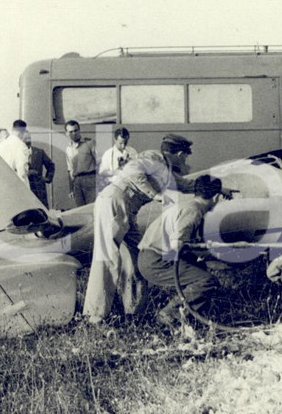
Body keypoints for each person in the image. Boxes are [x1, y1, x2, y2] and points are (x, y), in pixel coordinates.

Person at [82, 133, 195, 323]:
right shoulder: (153, 157)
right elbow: (134, 172)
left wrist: (217, 189)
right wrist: (155, 195)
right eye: (185, 156)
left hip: (127, 209)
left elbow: (184, 184)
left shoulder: (165, 168)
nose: (185, 160)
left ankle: (134, 312)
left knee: (137, 259)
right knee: (108, 257)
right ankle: (96, 316)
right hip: (114, 202)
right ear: (179, 153)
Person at [138, 174, 224, 332]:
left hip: (150, 256)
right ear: (217, 197)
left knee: (201, 270)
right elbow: (176, 244)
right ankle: (170, 314)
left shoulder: (188, 205)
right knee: (207, 281)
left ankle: (188, 319)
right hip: (156, 261)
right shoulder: (193, 211)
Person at [64, 120, 98, 207]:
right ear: (66, 133)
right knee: (80, 209)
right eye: (71, 132)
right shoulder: (68, 149)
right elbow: (70, 170)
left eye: (76, 130)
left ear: (79, 130)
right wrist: (71, 188)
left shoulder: (89, 143)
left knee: (92, 207)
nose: (74, 133)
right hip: (77, 182)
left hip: (90, 178)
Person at [98, 126, 138, 191]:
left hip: (131, 186)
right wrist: (115, 172)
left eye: (125, 143)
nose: (123, 146)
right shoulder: (108, 154)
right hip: (114, 186)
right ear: (115, 140)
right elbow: (102, 172)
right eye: (120, 143)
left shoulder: (132, 151)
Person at [0, 119, 31, 184]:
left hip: (0, 181)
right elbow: (21, 169)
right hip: (14, 183)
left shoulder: (0, 144)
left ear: (13, 129)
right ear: (23, 131)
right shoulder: (21, 146)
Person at [27, 143, 56, 208]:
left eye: (28, 137)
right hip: (25, 187)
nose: (27, 140)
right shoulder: (17, 153)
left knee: (42, 210)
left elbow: (51, 166)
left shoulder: (39, 152)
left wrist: (48, 178)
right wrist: (27, 173)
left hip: (39, 188)